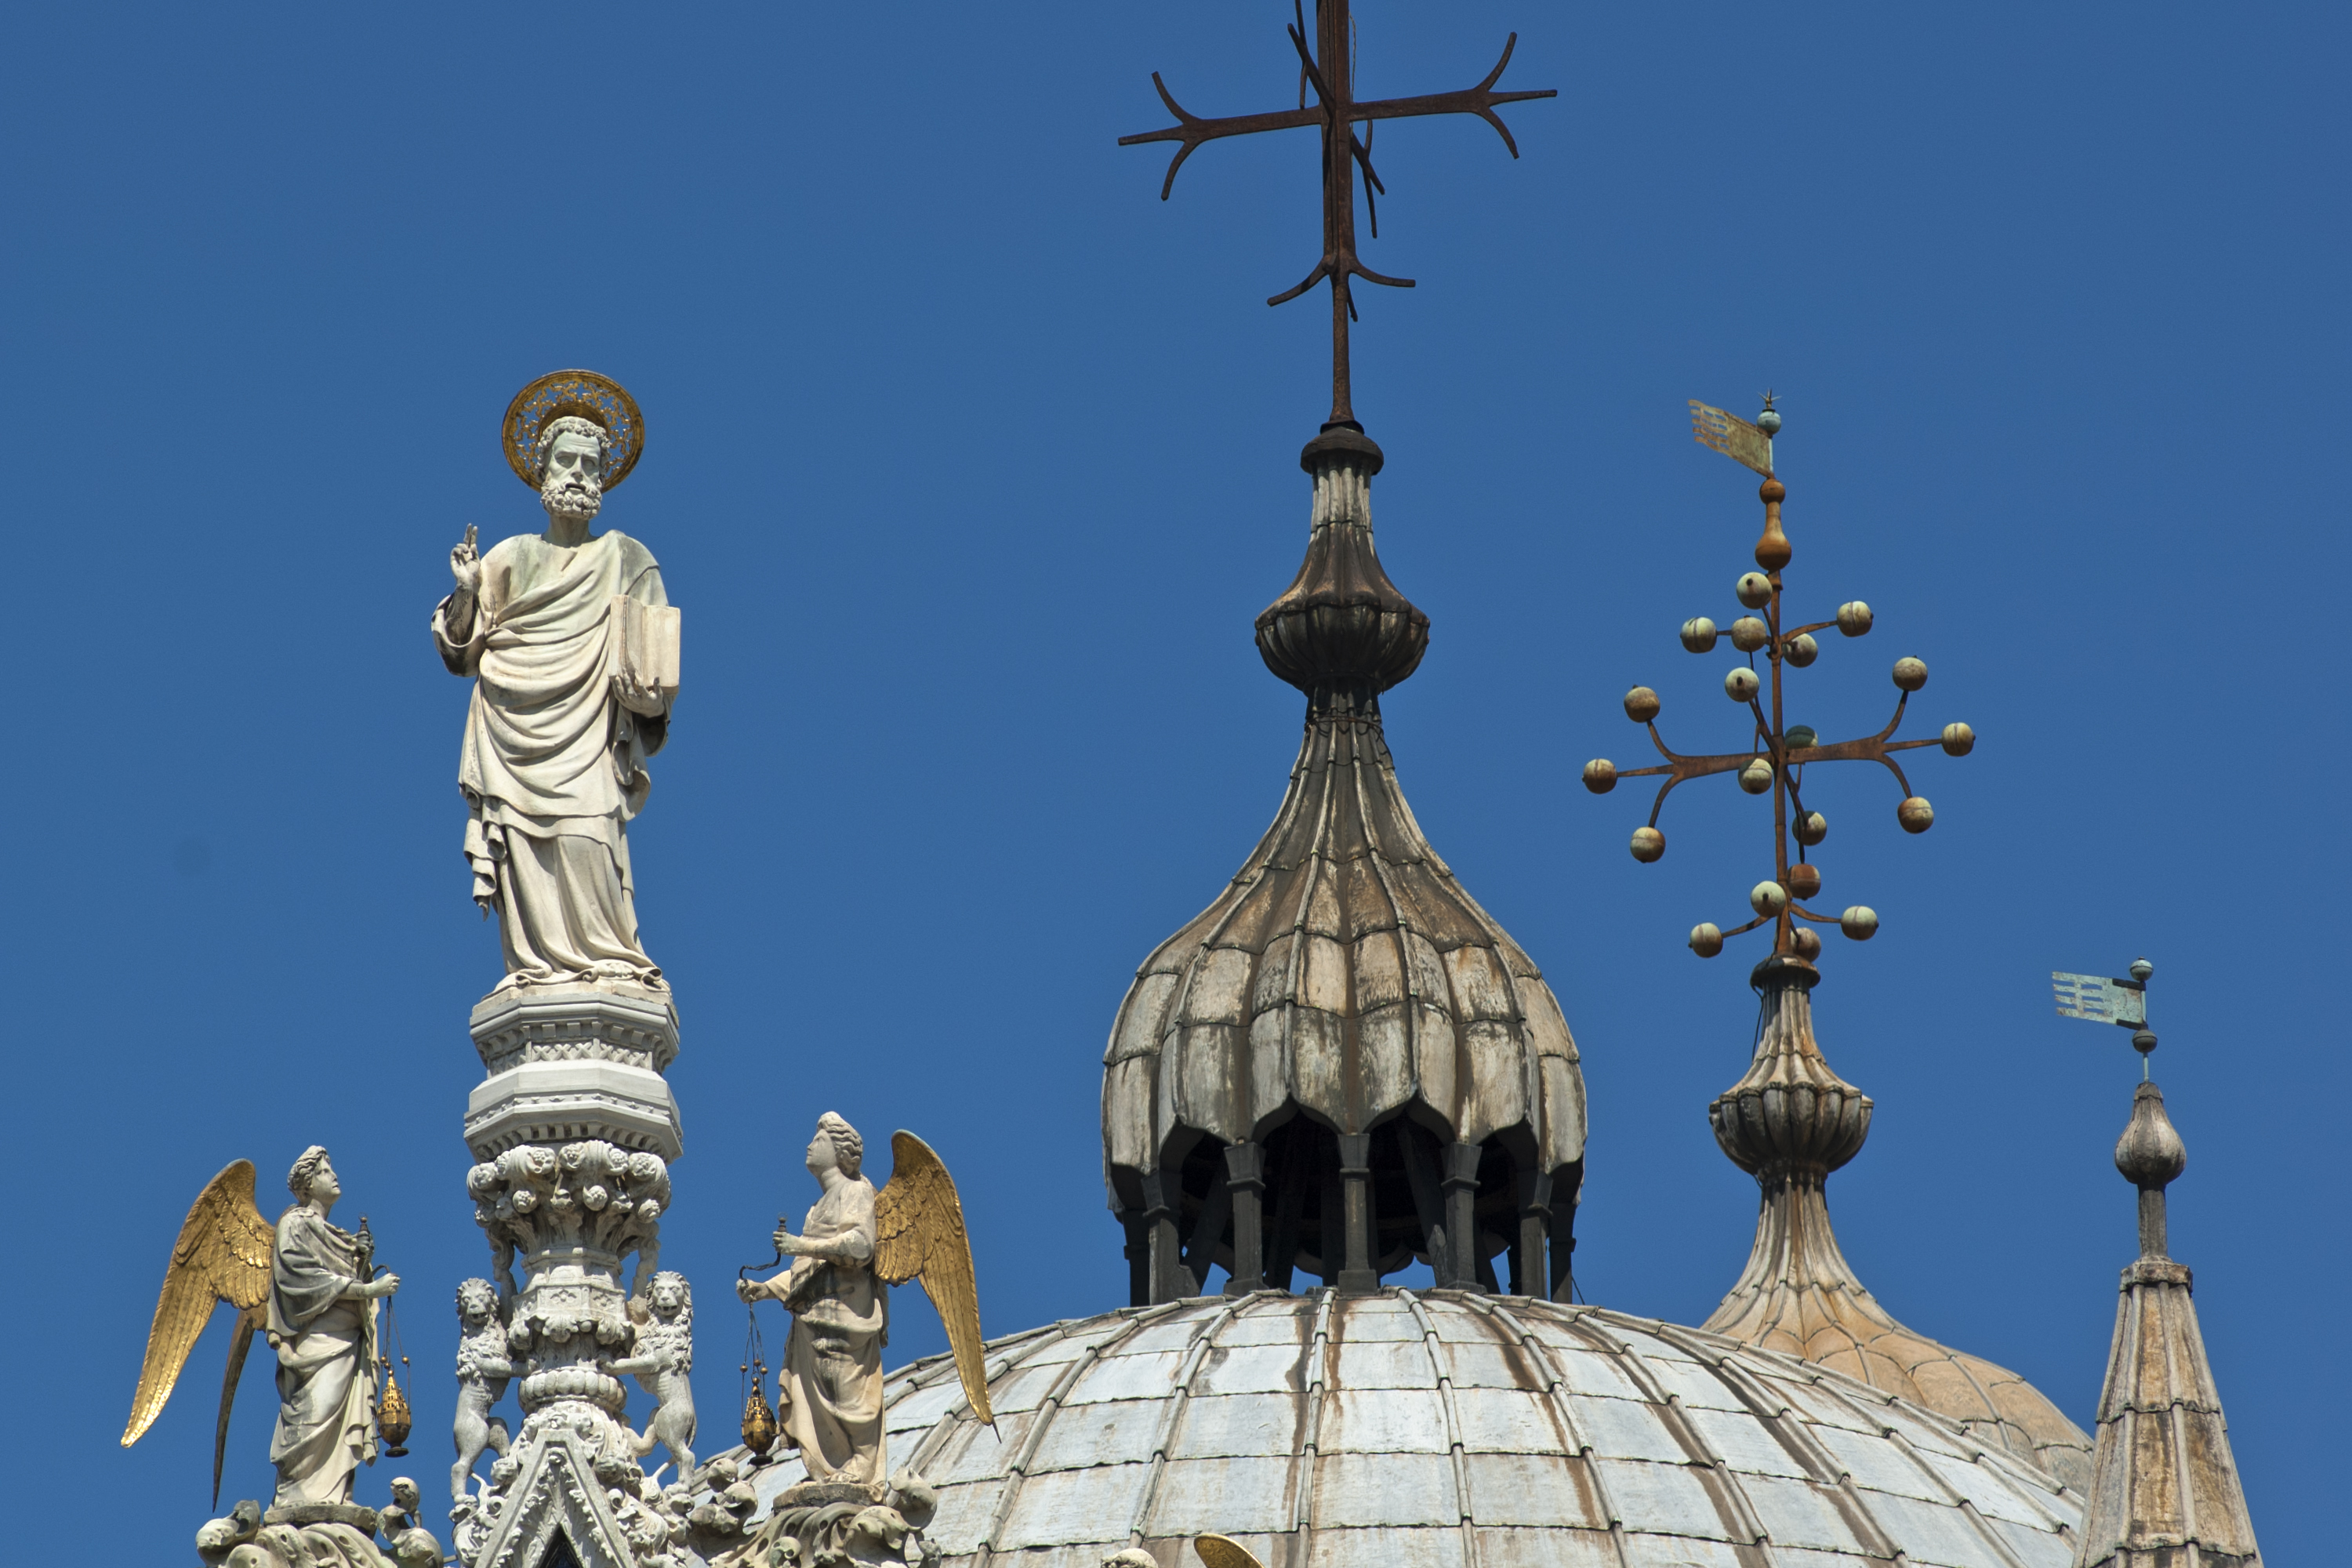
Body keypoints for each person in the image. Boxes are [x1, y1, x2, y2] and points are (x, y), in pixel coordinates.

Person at [434, 398, 673, 988]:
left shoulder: (629, 560)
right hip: (511, 735)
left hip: (590, 734)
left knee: (588, 839)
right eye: (565, 461)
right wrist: (466, 592)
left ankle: (608, 958)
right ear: (541, 472)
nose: (578, 475)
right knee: (526, 860)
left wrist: (646, 700)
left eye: (591, 466)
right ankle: (536, 968)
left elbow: (656, 668)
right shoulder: (509, 557)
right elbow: (462, 651)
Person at [737, 1114, 887, 1484]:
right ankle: (828, 1467)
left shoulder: (858, 1192)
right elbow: (806, 1272)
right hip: (813, 1318)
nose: (810, 1145)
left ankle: (862, 1465)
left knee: (848, 1394)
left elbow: (861, 1245)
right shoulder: (815, 1209)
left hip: (847, 1314)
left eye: (818, 1139)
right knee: (818, 1394)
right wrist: (763, 1289)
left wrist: (802, 1244)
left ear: (840, 1152)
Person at [267, 1146, 400, 1508]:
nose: (334, 1175)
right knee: (315, 1413)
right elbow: (302, 1279)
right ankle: (299, 1496)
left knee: (339, 1422)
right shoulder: (293, 1225)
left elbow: (343, 1281)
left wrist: (362, 1262)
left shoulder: (337, 1234)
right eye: (325, 1171)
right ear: (308, 1185)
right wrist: (367, 1288)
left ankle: (335, 1497)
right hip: (315, 1343)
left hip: (346, 1340)